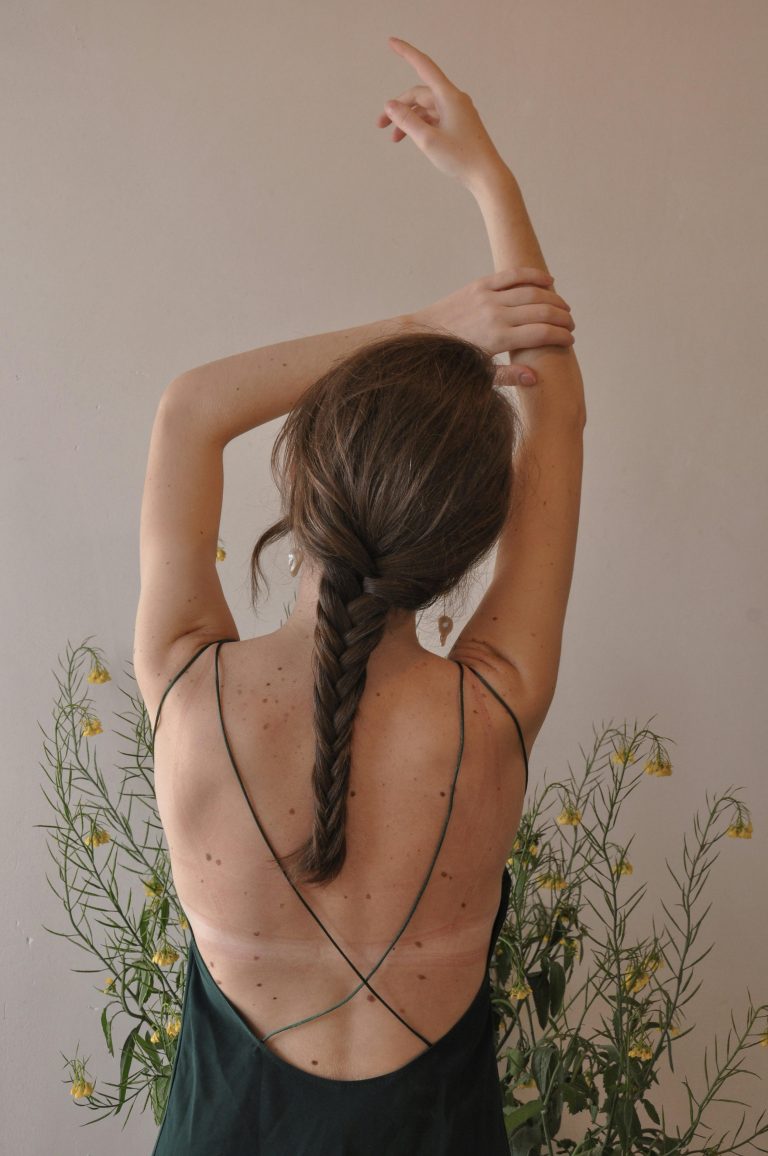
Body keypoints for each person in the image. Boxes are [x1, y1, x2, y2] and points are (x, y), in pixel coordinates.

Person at [134, 35, 585, 1156]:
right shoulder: (494, 708)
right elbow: (560, 416)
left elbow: (190, 409)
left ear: (298, 480)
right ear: (467, 545)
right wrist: (491, 180)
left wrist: (434, 323)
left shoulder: (189, 693)